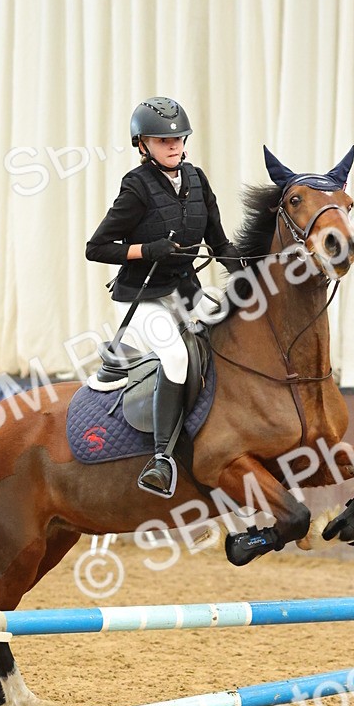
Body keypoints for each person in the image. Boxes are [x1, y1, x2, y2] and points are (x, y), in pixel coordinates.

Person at [86, 96, 242, 497]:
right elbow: (96, 248)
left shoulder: (197, 180)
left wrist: (250, 271)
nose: (172, 146)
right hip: (141, 295)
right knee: (174, 356)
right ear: (143, 145)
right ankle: (162, 459)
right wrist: (146, 249)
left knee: (230, 336)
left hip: (185, 289)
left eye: (177, 139)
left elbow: (220, 243)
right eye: (161, 140)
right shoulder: (136, 188)